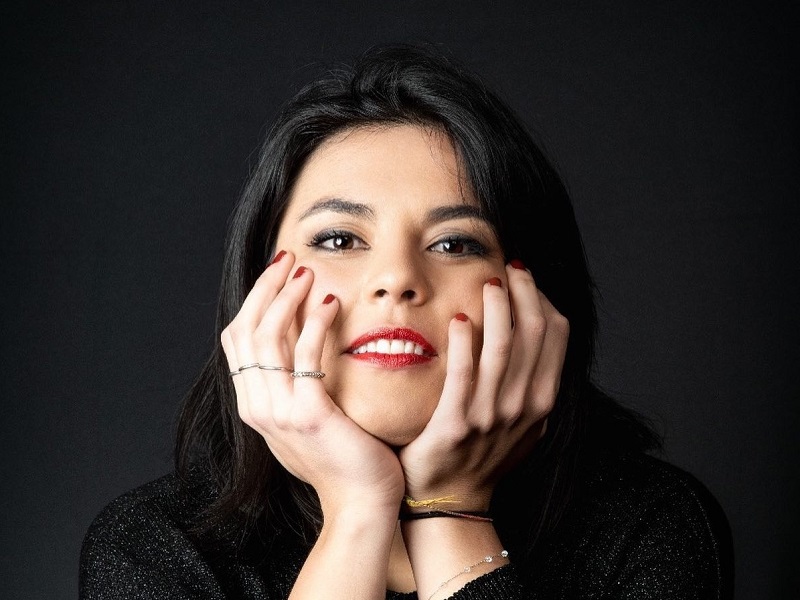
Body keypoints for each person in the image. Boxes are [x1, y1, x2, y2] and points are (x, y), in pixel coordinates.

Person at [79, 43, 734, 599]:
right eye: (339, 239)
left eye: (455, 243)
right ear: (261, 286)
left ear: (531, 294)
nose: (396, 278)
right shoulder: (153, 545)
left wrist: (452, 509)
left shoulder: (648, 526)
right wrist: (357, 509)